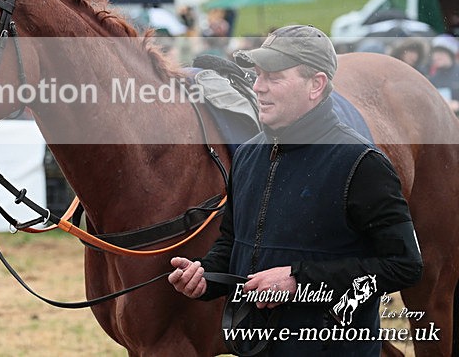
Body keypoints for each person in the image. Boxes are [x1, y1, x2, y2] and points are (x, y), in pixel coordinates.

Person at [168, 25, 423, 356]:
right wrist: (206, 276)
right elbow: (234, 243)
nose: (258, 87)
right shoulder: (247, 154)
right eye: (257, 75)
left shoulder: (361, 163)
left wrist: (299, 281)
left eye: (274, 77)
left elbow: (403, 265)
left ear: (315, 85)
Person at [425, 34, 459, 114]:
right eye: (434, 53)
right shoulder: (432, 77)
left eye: (441, 53)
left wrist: (457, 105)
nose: (436, 57)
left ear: (451, 55)